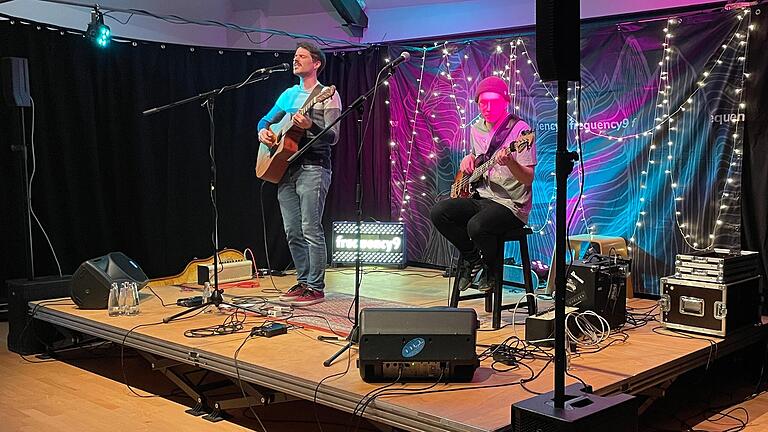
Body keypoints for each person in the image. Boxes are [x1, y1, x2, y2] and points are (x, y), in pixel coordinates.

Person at [430, 76, 536, 293]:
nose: (487, 108)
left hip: (511, 205)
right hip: (483, 196)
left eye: (493, 102)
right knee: (439, 212)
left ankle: (491, 270)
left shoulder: (520, 131)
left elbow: (528, 179)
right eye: (482, 103)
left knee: (476, 226)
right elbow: (479, 157)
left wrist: (511, 163)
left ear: (505, 102)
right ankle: (472, 258)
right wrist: (467, 159)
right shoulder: (476, 127)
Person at [257, 42, 342, 306]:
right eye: (295, 56)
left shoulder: (326, 94)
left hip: (314, 167)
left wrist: (310, 125)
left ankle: (315, 287)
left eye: (302, 57)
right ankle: (303, 280)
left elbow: (333, 136)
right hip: (285, 168)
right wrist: (263, 132)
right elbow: (265, 121)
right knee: (292, 229)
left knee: (310, 228)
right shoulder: (288, 94)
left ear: (316, 63)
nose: (296, 60)